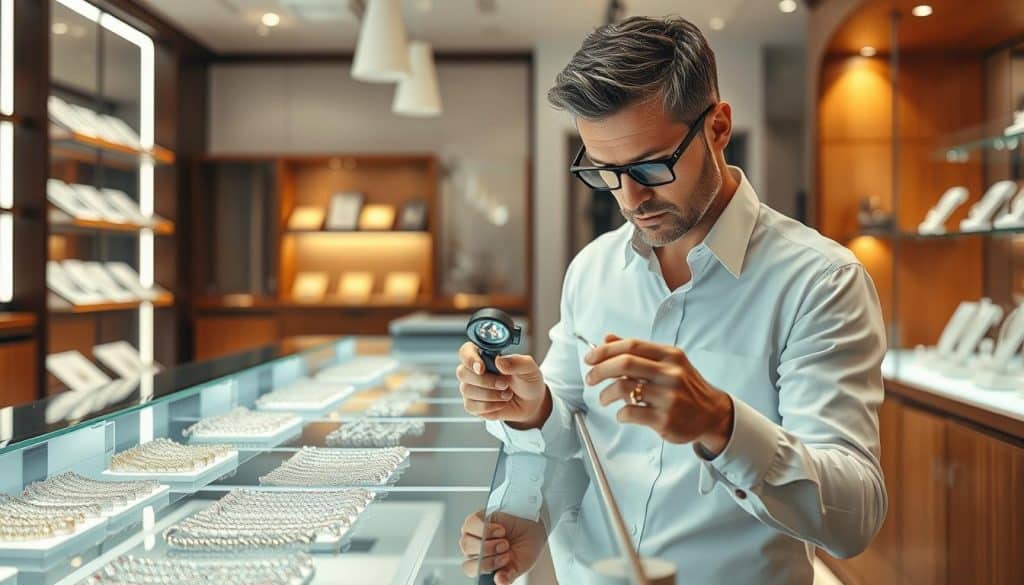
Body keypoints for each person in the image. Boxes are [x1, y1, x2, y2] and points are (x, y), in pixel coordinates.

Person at [456, 15, 887, 585]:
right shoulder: (591, 269)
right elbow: (571, 443)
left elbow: (854, 517)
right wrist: (534, 409)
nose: (630, 198)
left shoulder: (820, 282)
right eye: (605, 172)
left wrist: (722, 424)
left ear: (719, 126)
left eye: (651, 166)